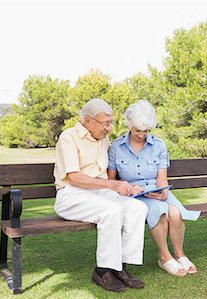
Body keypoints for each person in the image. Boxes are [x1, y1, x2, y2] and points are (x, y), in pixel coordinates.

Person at [53, 98, 149, 292]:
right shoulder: (68, 137)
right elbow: (74, 178)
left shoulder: (104, 139)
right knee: (112, 211)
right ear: (88, 121)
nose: (108, 128)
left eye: (110, 122)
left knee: (138, 208)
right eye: (105, 123)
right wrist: (113, 184)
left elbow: (121, 158)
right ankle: (102, 271)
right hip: (71, 195)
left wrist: (129, 186)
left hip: (99, 192)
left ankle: (120, 267)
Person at [108, 100, 201, 277]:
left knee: (176, 214)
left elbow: (161, 177)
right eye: (137, 130)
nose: (141, 135)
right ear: (130, 125)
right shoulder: (116, 147)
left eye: (145, 131)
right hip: (133, 195)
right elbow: (112, 180)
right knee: (159, 212)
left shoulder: (159, 145)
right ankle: (164, 257)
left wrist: (164, 191)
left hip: (156, 191)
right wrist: (126, 189)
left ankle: (180, 255)